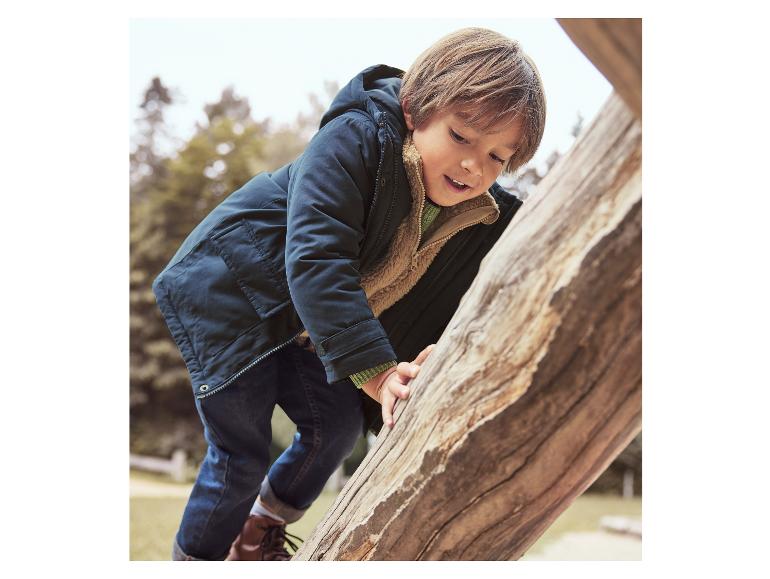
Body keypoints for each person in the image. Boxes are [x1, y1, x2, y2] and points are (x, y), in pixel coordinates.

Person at [151, 27, 546, 561]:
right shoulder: (356, 139)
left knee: (336, 427)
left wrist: (430, 356)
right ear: (414, 109)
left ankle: (257, 532)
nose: (476, 165)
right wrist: (377, 372)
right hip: (233, 297)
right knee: (240, 454)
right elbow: (318, 259)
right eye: (461, 136)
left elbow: (450, 294)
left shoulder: (478, 213)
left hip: (308, 325)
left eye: (498, 156)